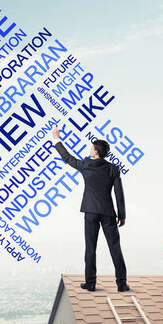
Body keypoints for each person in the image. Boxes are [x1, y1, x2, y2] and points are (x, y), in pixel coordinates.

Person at [52, 125, 129, 292]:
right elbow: (119, 194)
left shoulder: (87, 165)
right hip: (109, 213)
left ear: (96, 152)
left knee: (90, 247)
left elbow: (67, 158)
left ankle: (91, 283)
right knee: (115, 247)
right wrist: (121, 215)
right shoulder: (113, 169)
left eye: (91, 148)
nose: (89, 149)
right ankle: (121, 284)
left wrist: (56, 139)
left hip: (90, 212)